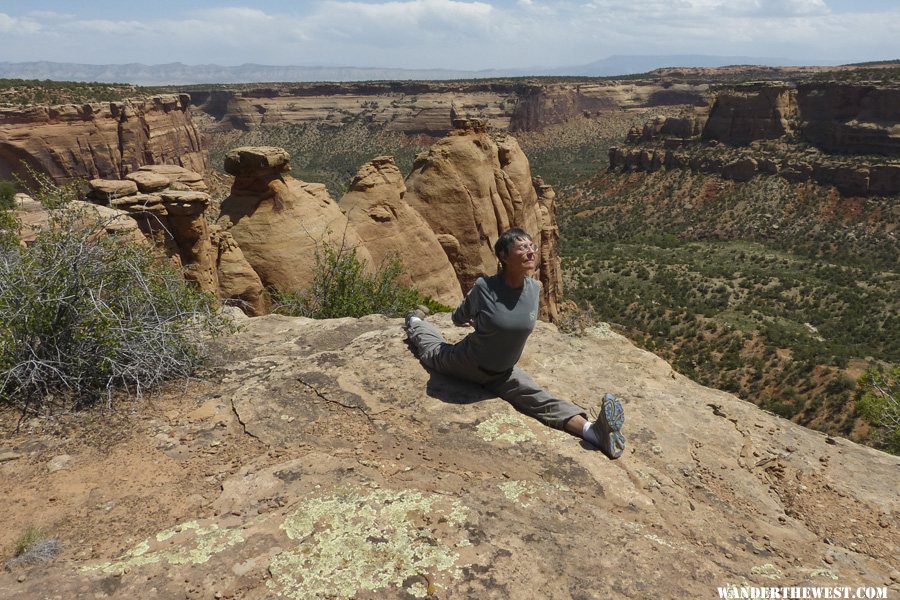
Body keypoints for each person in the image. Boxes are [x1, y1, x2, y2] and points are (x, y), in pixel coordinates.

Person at [405, 227, 625, 459]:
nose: (531, 252)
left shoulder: (534, 289)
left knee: (542, 400)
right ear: (503, 257)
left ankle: (595, 433)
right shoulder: (484, 287)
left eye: (532, 247)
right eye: (522, 247)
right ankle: (414, 320)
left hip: (503, 373)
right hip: (467, 362)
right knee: (432, 350)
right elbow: (457, 317)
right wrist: (478, 320)